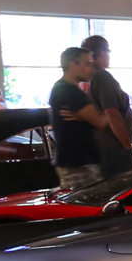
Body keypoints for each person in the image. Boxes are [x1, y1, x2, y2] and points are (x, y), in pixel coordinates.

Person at [48, 47, 105, 191]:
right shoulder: (69, 90)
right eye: (87, 64)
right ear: (72, 64)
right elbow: (99, 122)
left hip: (75, 161)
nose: (91, 69)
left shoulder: (61, 88)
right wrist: (114, 111)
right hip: (79, 164)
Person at [81, 34, 132, 178]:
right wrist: (127, 147)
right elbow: (112, 114)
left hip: (94, 147)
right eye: (108, 52)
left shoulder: (82, 79)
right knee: (119, 187)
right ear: (101, 53)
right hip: (112, 149)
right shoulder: (102, 77)